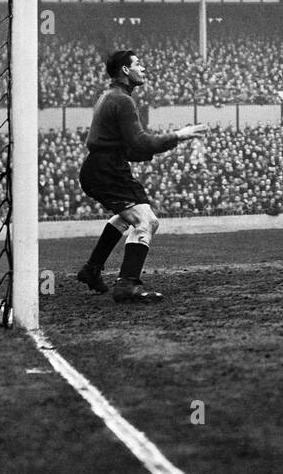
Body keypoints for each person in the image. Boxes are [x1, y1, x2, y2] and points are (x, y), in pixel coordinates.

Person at [76, 50, 212, 302]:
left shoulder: (110, 96)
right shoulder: (122, 100)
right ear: (126, 70)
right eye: (138, 64)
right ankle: (126, 285)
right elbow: (139, 143)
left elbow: (130, 148)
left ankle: (92, 269)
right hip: (107, 170)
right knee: (146, 222)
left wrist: (160, 146)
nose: (144, 68)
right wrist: (179, 135)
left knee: (126, 218)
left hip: (104, 167)